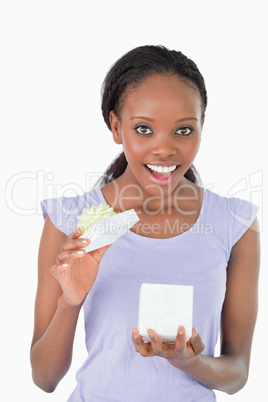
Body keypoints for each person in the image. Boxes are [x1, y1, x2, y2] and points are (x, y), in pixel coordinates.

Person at [30, 45, 260, 401]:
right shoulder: (70, 220)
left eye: (183, 131)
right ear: (116, 127)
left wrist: (189, 361)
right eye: (144, 129)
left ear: (201, 127)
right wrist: (70, 301)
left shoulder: (235, 224)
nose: (164, 150)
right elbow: (44, 379)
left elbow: (237, 376)